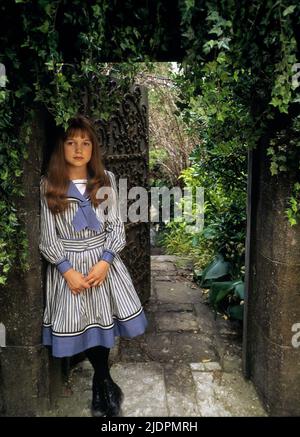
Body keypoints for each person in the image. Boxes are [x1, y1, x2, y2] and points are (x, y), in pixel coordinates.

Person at [39, 114, 148, 417]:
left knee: (102, 323)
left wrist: (105, 262)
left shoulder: (106, 179)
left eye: (85, 143)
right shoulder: (49, 185)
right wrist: (66, 270)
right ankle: (106, 381)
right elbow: (48, 237)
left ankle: (101, 384)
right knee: (84, 324)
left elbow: (116, 228)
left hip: (103, 264)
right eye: (71, 142)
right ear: (61, 147)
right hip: (70, 268)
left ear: (93, 148)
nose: (78, 149)